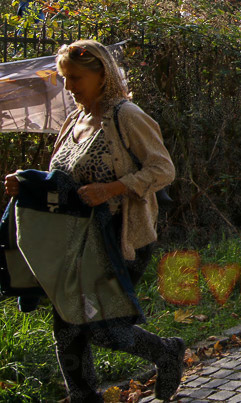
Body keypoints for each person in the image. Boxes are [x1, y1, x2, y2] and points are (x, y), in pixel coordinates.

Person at [3, 40, 184, 402]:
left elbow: (163, 169)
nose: (69, 87)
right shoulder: (75, 120)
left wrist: (111, 189)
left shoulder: (126, 116)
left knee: (103, 328)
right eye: (65, 78)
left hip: (120, 239)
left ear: (102, 75)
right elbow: (65, 179)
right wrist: (29, 184)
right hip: (75, 243)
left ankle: (166, 352)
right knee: (68, 326)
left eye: (76, 78)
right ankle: (84, 397)